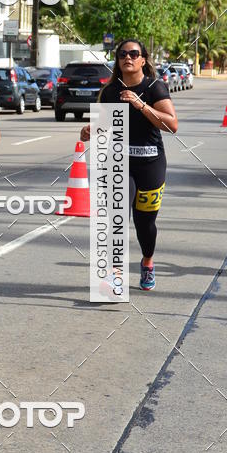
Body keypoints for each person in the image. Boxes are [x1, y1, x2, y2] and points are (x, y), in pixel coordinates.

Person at [81, 39, 178, 291]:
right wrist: (90, 130)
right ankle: (114, 274)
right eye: (123, 54)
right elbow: (104, 124)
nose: (128, 57)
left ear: (143, 60)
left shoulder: (155, 88)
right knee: (116, 217)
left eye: (134, 54)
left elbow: (171, 125)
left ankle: (147, 262)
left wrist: (140, 104)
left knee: (145, 225)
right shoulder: (110, 91)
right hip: (119, 164)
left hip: (151, 164)